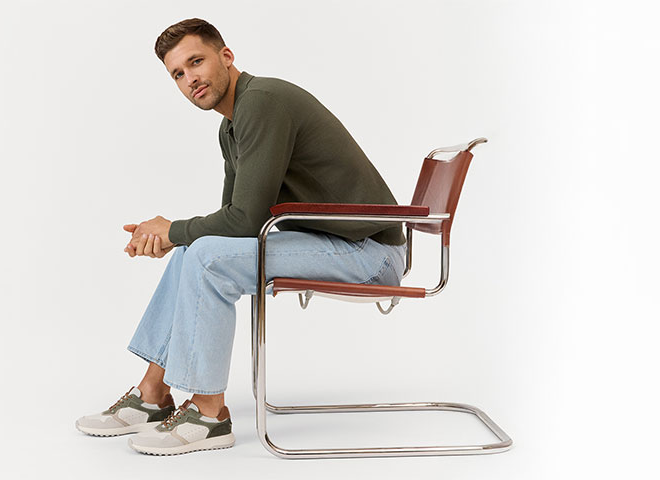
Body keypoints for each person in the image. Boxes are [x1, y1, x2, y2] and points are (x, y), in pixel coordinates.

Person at [74, 18, 411, 456]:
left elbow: (246, 220)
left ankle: (210, 415)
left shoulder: (262, 103)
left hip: (372, 254)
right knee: (200, 251)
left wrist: (171, 230)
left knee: (206, 254)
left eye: (196, 62)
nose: (190, 78)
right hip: (344, 244)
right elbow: (232, 225)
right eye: (177, 73)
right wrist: (180, 237)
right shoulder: (230, 126)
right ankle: (152, 395)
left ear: (226, 57)